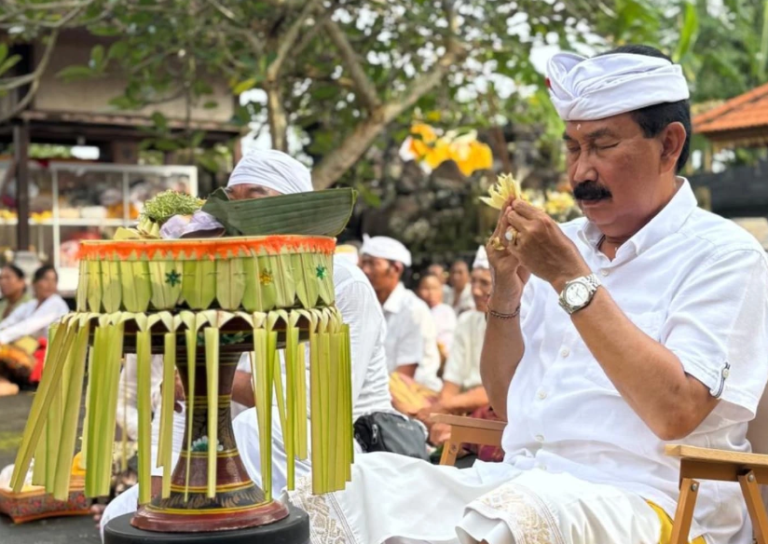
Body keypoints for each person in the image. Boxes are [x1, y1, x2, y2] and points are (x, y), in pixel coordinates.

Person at [287, 45, 768, 544]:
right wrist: (507, 289)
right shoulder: (563, 243)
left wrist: (569, 278)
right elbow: (507, 402)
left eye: (601, 146)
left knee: (517, 512)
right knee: (353, 483)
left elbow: (677, 412)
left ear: (668, 145)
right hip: (518, 483)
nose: (580, 172)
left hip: (650, 502)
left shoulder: (724, 254)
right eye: (573, 148)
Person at [99, 149, 395, 535]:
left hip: (334, 445)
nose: (239, 214)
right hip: (234, 447)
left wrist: (202, 385)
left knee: (258, 428)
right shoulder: (231, 279)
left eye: (254, 197)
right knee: (117, 521)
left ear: (294, 209)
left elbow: (313, 406)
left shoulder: (343, 282)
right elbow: (181, 408)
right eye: (232, 201)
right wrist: (155, 496)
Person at [416, 247, 500, 457]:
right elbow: (451, 381)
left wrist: (443, 409)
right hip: (460, 406)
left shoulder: (518, 324)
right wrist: (442, 415)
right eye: (474, 282)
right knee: (398, 386)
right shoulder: (466, 320)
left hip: (491, 408)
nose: (477, 291)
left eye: (485, 283)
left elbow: (495, 393)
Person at [360, 236, 442, 415]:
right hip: (379, 393)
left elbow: (404, 376)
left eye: (373, 264)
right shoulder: (368, 305)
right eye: (363, 263)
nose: (365, 270)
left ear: (396, 268)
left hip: (413, 397)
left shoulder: (413, 310)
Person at [0, 265, 69, 396]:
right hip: (33, 355)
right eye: (45, 279)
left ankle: (9, 386)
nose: (50, 284)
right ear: (35, 283)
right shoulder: (30, 305)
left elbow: (27, 326)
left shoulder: (56, 303)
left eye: (53, 280)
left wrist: (1, 338)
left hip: (50, 359)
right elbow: (8, 323)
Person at [417, 272, 456, 364]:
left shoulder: (446, 311)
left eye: (435, 288)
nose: (431, 293)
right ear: (418, 291)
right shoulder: (415, 312)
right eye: (426, 288)